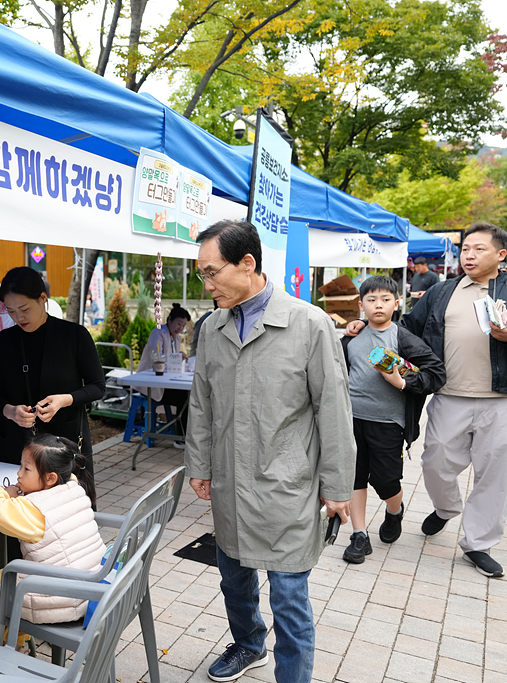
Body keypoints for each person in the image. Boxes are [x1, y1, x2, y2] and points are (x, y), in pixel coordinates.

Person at [185, 220, 354, 683]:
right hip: (228, 482)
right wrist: (198, 465)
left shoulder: (309, 324)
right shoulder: (213, 329)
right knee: (233, 579)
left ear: (247, 264)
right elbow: (201, 403)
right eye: (202, 273)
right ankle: (248, 644)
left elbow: (334, 411)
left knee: (290, 599)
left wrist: (337, 486)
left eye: (211, 272)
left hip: (287, 485)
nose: (207, 283)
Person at [347, 222, 507, 577]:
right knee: (435, 463)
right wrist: (367, 326)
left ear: (500, 255)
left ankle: (477, 544)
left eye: (478, 249)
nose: (469, 255)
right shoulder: (443, 291)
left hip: (505, 399)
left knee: (495, 475)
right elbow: (406, 326)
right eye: (465, 248)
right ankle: (445, 507)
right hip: (449, 396)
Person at [339, 276, 445, 565]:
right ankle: (359, 535)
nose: (378, 305)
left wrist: (401, 382)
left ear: (397, 304)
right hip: (351, 420)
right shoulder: (351, 338)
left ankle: (394, 511)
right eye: (371, 300)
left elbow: (436, 375)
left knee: (386, 480)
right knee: (356, 477)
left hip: (388, 422)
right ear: (361, 305)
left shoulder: (403, 338)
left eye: (385, 299)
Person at [0, 434, 105, 634]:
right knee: (13, 576)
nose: (18, 474)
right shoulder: (73, 485)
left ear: (50, 478)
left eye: (26, 469)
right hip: (90, 587)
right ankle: (20, 643)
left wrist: (6, 492)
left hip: (59, 599)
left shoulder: (33, 512)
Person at [0, 266, 106, 468]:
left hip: (64, 444)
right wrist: (11, 412)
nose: (18, 318)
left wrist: (65, 400)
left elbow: (98, 386)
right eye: (11, 311)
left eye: (24, 310)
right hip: (17, 447)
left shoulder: (74, 336)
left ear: (43, 298)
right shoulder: (2, 343)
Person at [134, 303, 192, 446]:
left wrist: (178, 358)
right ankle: (180, 438)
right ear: (170, 319)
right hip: (150, 381)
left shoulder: (177, 338)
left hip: (166, 379)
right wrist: (176, 357)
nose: (180, 328)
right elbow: (157, 356)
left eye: (183, 325)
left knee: (188, 394)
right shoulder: (158, 332)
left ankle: (183, 435)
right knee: (185, 397)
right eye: (179, 323)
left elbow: (173, 361)